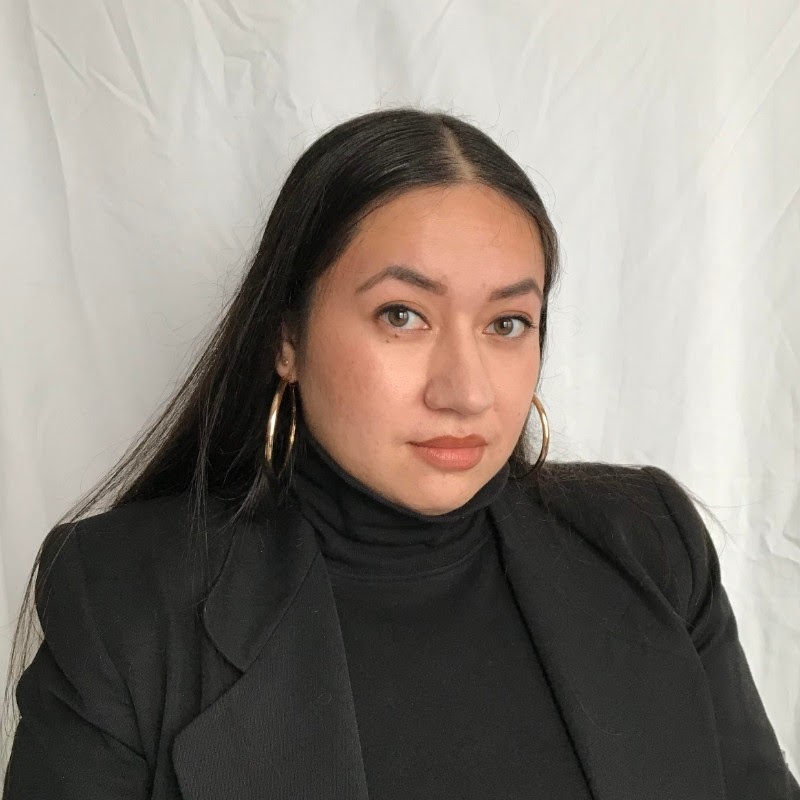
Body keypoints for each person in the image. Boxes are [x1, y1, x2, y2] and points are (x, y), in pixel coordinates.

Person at [2, 107, 797, 800]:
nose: (466, 391)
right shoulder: (126, 602)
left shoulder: (648, 543)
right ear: (287, 338)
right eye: (403, 316)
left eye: (507, 323)